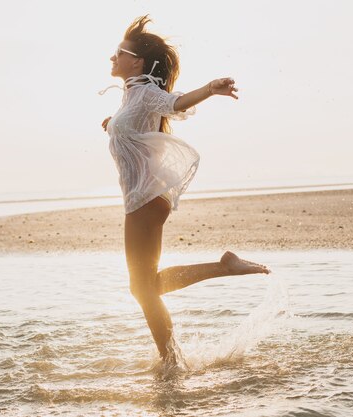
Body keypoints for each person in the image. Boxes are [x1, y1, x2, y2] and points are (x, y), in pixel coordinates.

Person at [100, 15, 271, 364]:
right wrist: (112, 125)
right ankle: (173, 357)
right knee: (145, 287)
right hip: (144, 200)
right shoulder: (133, 95)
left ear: (138, 62)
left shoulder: (146, 92)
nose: (112, 57)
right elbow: (137, 129)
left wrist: (209, 89)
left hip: (144, 201)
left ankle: (172, 360)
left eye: (120, 52)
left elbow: (174, 103)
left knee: (142, 288)